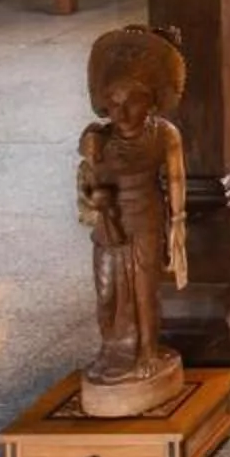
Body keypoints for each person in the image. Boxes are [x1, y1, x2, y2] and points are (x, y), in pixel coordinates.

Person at [78, 26, 188, 411]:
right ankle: (113, 350)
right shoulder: (99, 140)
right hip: (109, 226)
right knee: (107, 289)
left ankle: (147, 351)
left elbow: (175, 179)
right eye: (113, 103)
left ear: (152, 101)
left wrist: (178, 221)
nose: (121, 112)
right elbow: (86, 185)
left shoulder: (163, 134)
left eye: (132, 102)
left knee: (143, 288)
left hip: (145, 218)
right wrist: (94, 197)